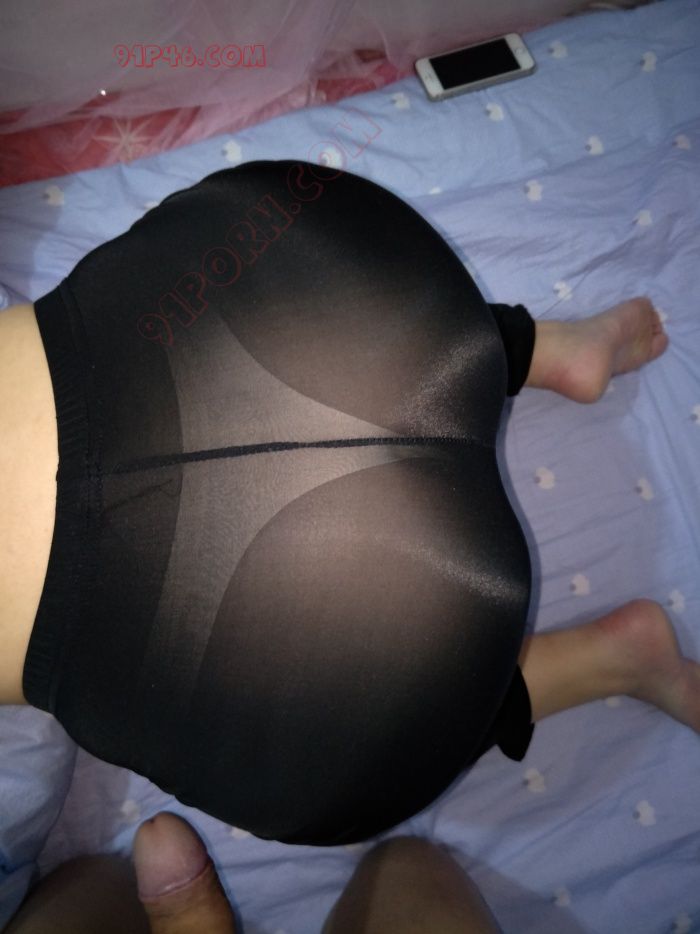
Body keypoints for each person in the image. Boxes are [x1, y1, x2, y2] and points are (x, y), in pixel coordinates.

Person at [2, 160, 699, 931]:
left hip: (334, 682)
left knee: (360, 740)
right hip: (313, 268)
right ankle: (539, 347)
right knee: (376, 334)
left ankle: (605, 660)